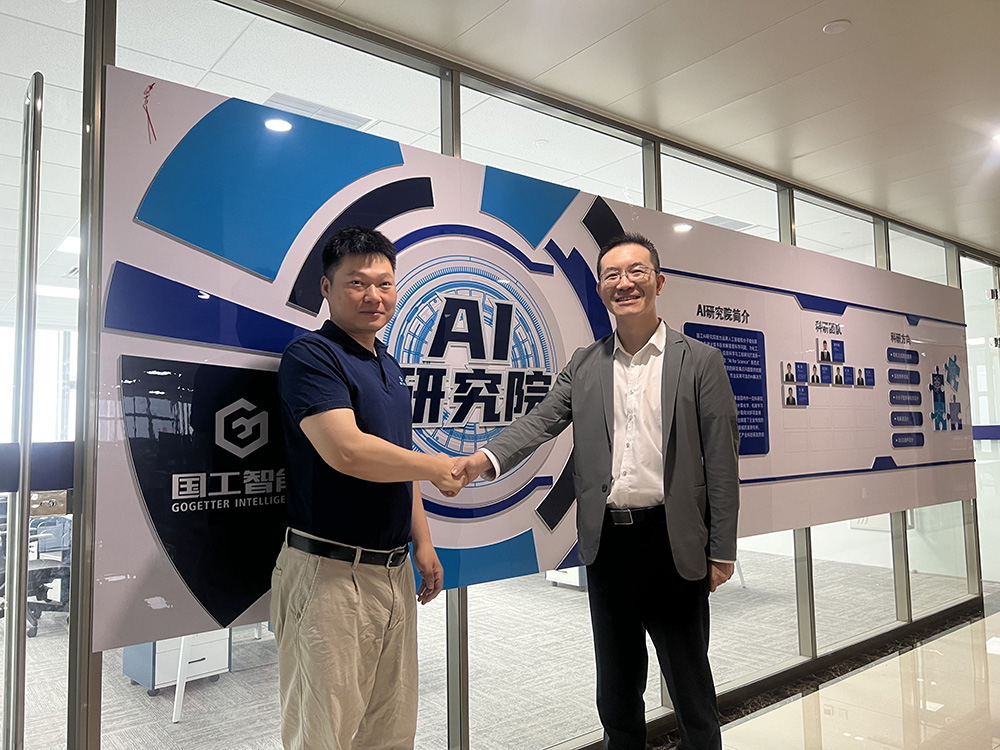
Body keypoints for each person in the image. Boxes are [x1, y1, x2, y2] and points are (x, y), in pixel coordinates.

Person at [452, 233, 739, 750]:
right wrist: (482, 460)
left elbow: (721, 460)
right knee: (616, 684)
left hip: (673, 542)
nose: (624, 283)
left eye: (636, 272)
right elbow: (541, 421)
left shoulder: (699, 360)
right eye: (612, 275)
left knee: (689, 681)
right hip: (609, 544)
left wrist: (722, 549)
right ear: (602, 287)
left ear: (658, 282)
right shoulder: (586, 364)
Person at [272, 225, 465, 750]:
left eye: (384, 283)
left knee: (391, 728)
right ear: (326, 288)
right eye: (357, 283)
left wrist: (423, 543)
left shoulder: (390, 365)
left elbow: (400, 462)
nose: (373, 296)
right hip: (329, 574)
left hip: (393, 571)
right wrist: (438, 465)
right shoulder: (312, 357)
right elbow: (348, 451)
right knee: (322, 734)